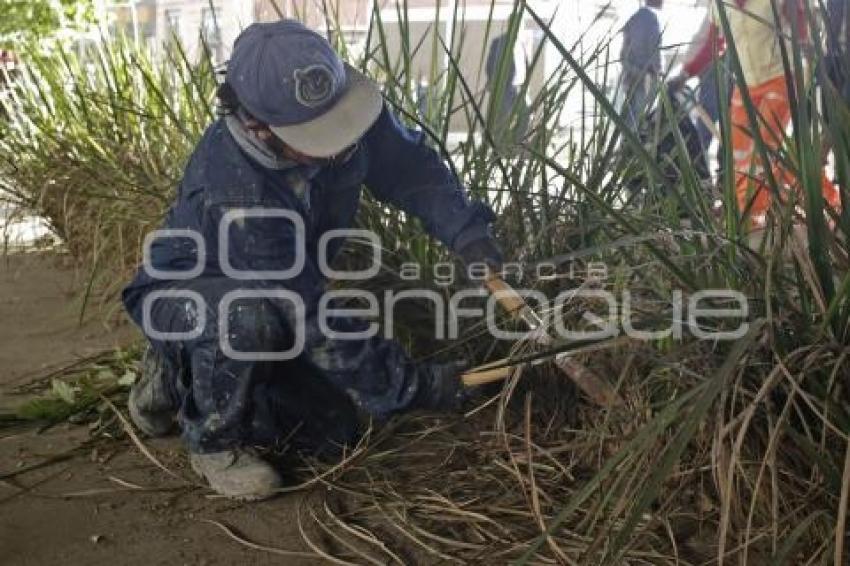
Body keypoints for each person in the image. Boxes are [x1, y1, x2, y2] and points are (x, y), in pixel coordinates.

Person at [121, 20, 503, 501]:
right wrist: (414, 386)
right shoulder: (235, 190)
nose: (343, 141)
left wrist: (466, 233)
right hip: (186, 289)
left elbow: (411, 171)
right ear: (258, 125)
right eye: (320, 134)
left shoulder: (344, 111)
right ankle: (211, 437)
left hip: (278, 292)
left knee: (331, 432)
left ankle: (185, 375)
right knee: (249, 320)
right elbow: (302, 313)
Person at [669, 0, 840, 229]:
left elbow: (802, 30)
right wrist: (684, 74)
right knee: (739, 155)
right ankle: (827, 199)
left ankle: (753, 219)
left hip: (782, 78)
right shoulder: (720, 5)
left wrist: (810, 51)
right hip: (746, 84)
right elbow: (711, 42)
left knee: (760, 153)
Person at [619, 0, 664, 129]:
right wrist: (657, 73)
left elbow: (623, 55)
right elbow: (654, 50)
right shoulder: (651, 19)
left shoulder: (635, 17)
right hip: (645, 78)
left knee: (628, 119)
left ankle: (625, 147)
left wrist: (631, 69)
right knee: (640, 120)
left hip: (630, 76)